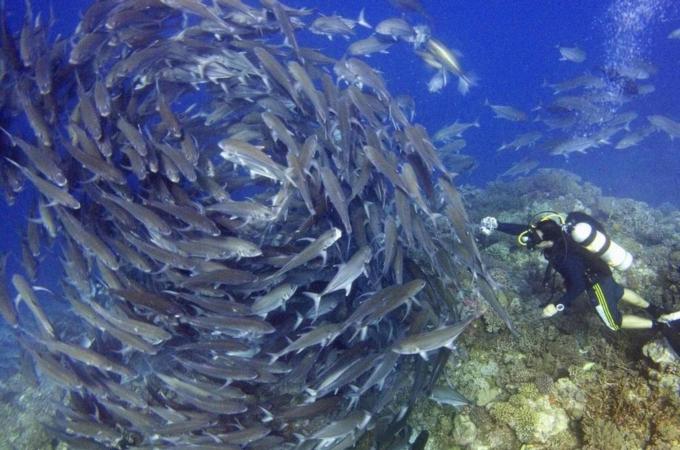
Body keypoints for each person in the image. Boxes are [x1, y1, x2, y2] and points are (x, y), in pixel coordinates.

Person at [479, 211, 680, 353]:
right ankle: (654, 308)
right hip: (603, 270)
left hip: (595, 283)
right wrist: (498, 225)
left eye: (535, 239)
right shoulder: (560, 234)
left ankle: (660, 325)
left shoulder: (564, 257)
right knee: (618, 290)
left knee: (614, 323)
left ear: (547, 240)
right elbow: (526, 230)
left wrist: (557, 305)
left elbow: (578, 286)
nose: (532, 241)